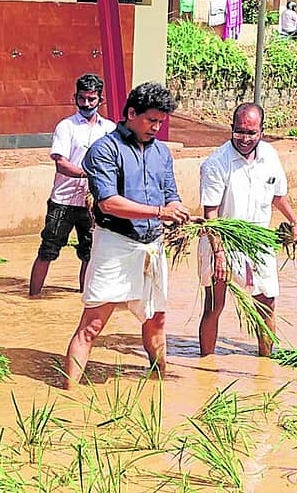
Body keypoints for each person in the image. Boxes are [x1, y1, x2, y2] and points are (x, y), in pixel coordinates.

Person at [63, 82, 196, 390]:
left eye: (161, 122)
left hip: (152, 246)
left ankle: (159, 385)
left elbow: (170, 194)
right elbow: (109, 202)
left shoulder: (162, 152)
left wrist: (177, 210)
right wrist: (161, 212)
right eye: (151, 120)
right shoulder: (104, 150)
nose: (156, 127)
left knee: (157, 321)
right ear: (131, 113)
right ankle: (67, 395)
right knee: (92, 326)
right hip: (116, 244)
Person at [197, 103, 297, 358]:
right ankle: (206, 365)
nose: (244, 139)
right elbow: (210, 215)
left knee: (266, 302)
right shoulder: (216, 163)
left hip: (259, 241)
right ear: (231, 128)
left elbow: (278, 196)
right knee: (214, 305)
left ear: (261, 132)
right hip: (221, 240)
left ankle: (265, 362)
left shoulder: (270, 156)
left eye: (251, 133)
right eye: (239, 131)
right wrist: (219, 254)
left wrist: (295, 221)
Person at [29, 73, 116, 296]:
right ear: (74, 98)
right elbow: (61, 163)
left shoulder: (109, 129)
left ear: (100, 100)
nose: (86, 104)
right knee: (48, 250)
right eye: (82, 99)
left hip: (93, 203)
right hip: (63, 201)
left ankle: (84, 299)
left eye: (91, 99)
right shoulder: (66, 127)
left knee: (90, 253)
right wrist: (91, 175)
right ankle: (33, 297)